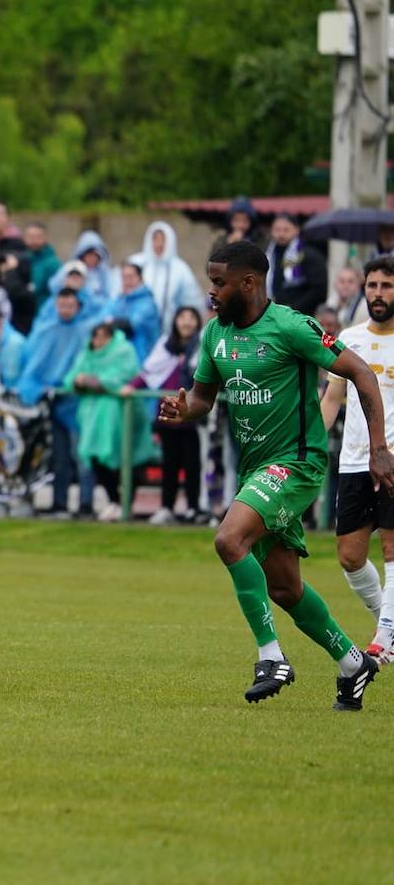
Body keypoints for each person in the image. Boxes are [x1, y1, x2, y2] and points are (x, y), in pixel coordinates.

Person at [159, 240, 392, 709]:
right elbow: (204, 398)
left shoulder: (292, 326)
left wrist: (380, 447)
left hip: (297, 463)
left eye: (220, 283)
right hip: (256, 469)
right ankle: (353, 663)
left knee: (228, 540)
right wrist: (186, 410)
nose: (212, 292)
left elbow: (362, 375)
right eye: (211, 282)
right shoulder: (215, 336)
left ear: (249, 282)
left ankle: (271, 657)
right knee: (286, 588)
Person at [321, 256, 394, 662]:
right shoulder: (348, 338)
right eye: (372, 286)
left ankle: (385, 636)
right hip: (353, 461)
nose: (378, 294)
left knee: (391, 548)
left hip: (393, 460)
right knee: (350, 557)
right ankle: (389, 618)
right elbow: (332, 398)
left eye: (386, 286)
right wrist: (310, 442)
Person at [18, 288, 96, 517]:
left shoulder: (86, 332)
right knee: (59, 458)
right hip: (52, 405)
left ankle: (86, 504)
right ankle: (59, 503)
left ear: (77, 306)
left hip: (78, 404)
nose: (65, 310)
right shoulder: (46, 331)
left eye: (70, 305)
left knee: (82, 456)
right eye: (62, 305)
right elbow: (33, 367)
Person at [63, 323, 152, 522]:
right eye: (96, 336)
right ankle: (114, 500)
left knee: (128, 460)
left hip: (124, 418)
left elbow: (124, 377)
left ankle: (124, 504)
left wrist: (93, 381)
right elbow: (72, 377)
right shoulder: (88, 352)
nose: (99, 341)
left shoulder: (124, 351)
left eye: (103, 337)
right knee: (95, 458)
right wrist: (81, 380)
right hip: (92, 420)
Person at [124, 306, 205, 525]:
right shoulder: (165, 346)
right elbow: (148, 372)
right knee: (169, 464)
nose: (186, 323)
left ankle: (193, 508)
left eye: (191, 318)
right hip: (168, 415)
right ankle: (166, 507)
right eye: (182, 318)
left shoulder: (202, 346)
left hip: (191, 418)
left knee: (192, 465)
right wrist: (131, 387)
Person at [130, 220, 204, 330]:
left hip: (169, 330)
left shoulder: (180, 269)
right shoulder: (137, 263)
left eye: (162, 240)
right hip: (137, 329)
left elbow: (191, 301)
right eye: (155, 239)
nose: (158, 244)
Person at [266, 213, 327, 316]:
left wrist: (294, 309)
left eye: (286, 230)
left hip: (300, 315)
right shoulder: (268, 254)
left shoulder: (308, 254)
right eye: (277, 230)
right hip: (272, 312)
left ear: (297, 230)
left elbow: (319, 290)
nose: (281, 234)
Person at [103, 261, 161, 362]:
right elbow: (103, 317)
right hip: (118, 358)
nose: (127, 281)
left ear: (140, 278)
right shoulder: (119, 300)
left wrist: (111, 323)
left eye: (131, 277)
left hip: (140, 358)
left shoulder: (147, 303)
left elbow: (132, 324)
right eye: (124, 277)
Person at [24, 222, 61, 309]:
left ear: (45, 238)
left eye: (38, 237)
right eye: (31, 237)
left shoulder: (54, 264)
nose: (34, 241)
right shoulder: (19, 261)